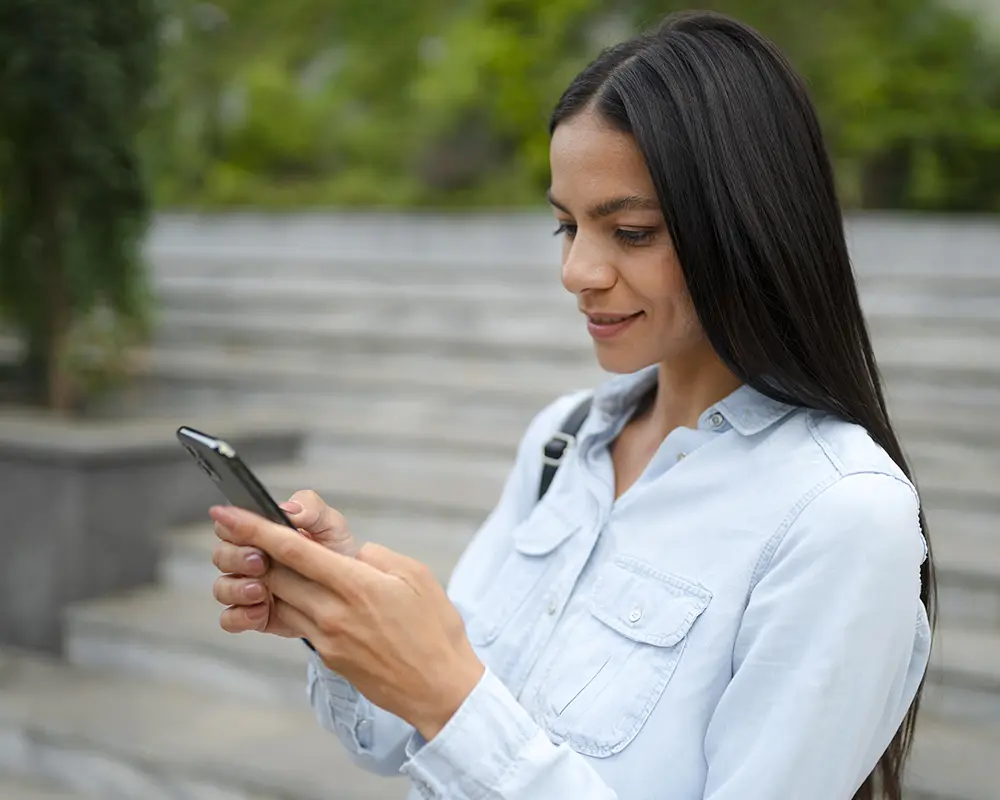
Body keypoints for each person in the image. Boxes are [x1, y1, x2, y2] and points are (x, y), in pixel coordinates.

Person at [208, 10, 933, 800]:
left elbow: (453, 711)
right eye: (566, 225)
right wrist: (345, 613)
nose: (577, 271)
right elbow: (401, 739)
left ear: (747, 227)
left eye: (631, 231)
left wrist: (448, 697)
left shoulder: (841, 517)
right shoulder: (563, 440)